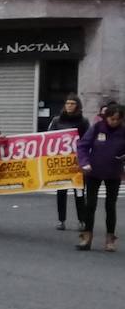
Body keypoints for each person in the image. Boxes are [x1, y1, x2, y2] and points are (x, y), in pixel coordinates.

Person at [75, 102, 125, 252]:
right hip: (93, 172)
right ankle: (87, 237)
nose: (114, 122)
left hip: (113, 172)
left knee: (110, 206)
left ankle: (110, 239)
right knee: (90, 205)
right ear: (106, 117)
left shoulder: (123, 131)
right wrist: (84, 163)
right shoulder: (97, 128)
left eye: (117, 119)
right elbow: (83, 146)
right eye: (112, 119)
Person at [49, 95, 90, 231]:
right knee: (61, 191)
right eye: (67, 103)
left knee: (79, 192)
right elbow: (49, 137)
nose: (69, 106)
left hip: (77, 162)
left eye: (72, 103)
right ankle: (61, 220)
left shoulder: (83, 121)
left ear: (77, 106)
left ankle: (82, 220)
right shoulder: (57, 120)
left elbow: (88, 139)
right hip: (61, 162)